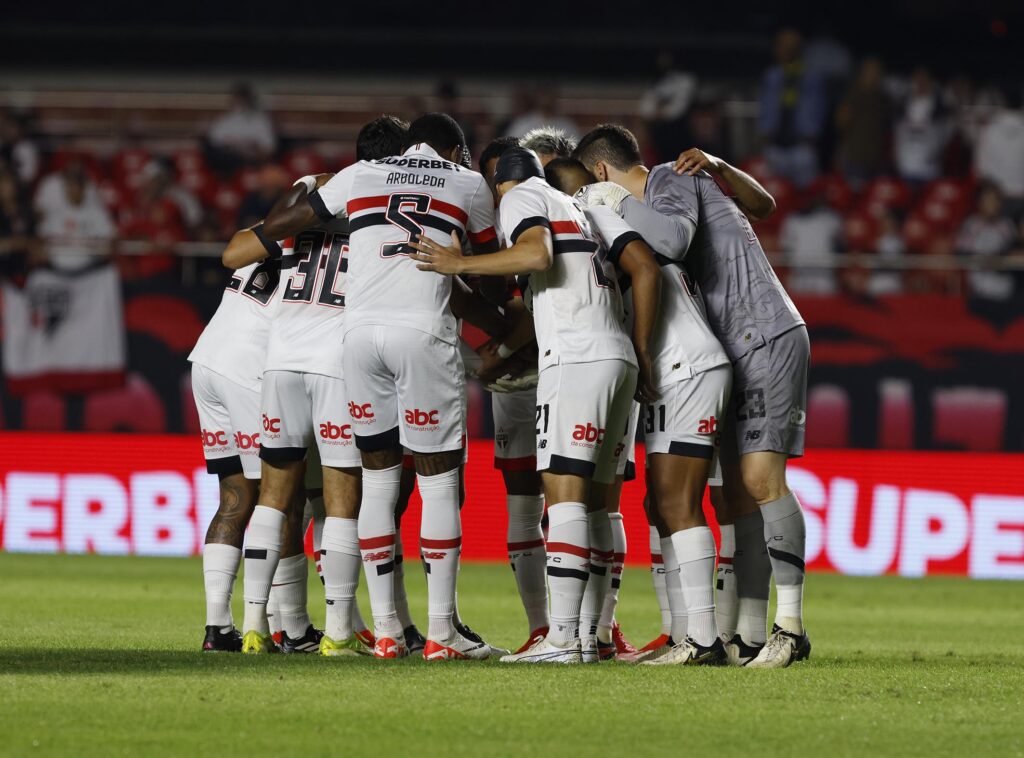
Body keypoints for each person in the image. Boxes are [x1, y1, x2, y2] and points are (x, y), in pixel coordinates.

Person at [258, 113, 505, 661]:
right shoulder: (466, 182)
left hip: (358, 336)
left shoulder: (360, 172)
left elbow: (296, 217)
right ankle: (442, 632)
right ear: (455, 149)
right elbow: (492, 270)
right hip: (421, 332)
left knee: (378, 481)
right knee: (440, 483)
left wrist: (257, 235)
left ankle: (389, 631)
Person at [573, 126, 811, 669]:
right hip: (731, 344)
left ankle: (790, 626)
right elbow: (765, 204)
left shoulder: (661, 182)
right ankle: (748, 635)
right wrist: (722, 167)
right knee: (735, 496)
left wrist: (610, 204)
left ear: (603, 173)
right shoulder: (689, 180)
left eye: (592, 188)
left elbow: (675, 240)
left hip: (763, 332)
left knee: (759, 481)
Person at [411, 147, 644, 664]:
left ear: (498, 180)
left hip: (577, 358)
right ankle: (588, 635)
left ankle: (559, 638)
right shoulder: (577, 207)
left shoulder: (522, 196)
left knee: (562, 492)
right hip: (618, 355)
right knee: (596, 500)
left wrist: (459, 262)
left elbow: (536, 254)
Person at [549, 155, 734, 665]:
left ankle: (702, 639)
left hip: (683, 367)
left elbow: (646, 271)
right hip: (683, 368)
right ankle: (685, 636)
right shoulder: (627, 222)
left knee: (678, 504)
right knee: (661, 504)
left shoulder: (592, 211)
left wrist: (642, 350)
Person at [759, 28, 827, 187]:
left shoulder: (812, 75)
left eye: (792, 45)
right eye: (783, 45)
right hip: (774, 145)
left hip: (802, 146)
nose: (787, 49)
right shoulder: (772, 75)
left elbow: (819, 109)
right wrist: (765, 134)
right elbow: (766, 107)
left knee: (805, 196)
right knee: (772, 195)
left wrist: (813, 134)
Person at [835, 57, 892, 186]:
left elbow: (887, 130)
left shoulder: (884, 99)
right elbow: (841, 125)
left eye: (877, 73)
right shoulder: (852, 95)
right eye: (870, 72)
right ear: (861, 74)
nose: (874, 76)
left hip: (876, 160)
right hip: (854, 158)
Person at [956, 182, 1017, 302]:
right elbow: (960, 253)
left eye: (995, 200)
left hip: (1004, 284)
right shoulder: (971, 224)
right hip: (975, 283)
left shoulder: (1006, 226)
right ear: (979, 202)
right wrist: (982, 261)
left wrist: (998, 259)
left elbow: (1013, 252)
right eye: (987, 200)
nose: (992, 204)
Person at [974, 88, 1024, 220]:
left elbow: (981, 169)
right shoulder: (989, 128)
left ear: (1001, 103)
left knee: (1000, 239)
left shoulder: (989, 129)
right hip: (1016, 193)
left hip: (996, 198)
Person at [207, 83, 277, 173]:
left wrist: (251, 150)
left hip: (255, 163)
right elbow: (214, 140)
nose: (239, 102)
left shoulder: (260, 120)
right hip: (230, 164)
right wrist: (235, 145)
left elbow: (269, 147)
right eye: (237, 98)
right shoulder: (225, 120)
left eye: (242, 98)